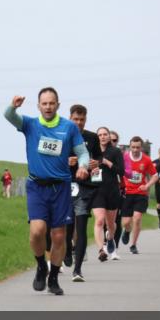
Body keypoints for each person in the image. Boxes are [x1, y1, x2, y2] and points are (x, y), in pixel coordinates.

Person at [4, 88, 90, 296]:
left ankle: (54, 276)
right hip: (36, 186)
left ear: (58, 105)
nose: (48, 107)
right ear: (38, 106)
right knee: (37, 231)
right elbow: (9, 116)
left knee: (59, 237)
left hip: (60, 187)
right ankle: (41, 264)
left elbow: (82, 152)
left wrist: (83, 166)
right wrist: (13, 106)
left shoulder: (68, 127)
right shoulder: (30, 124)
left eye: (52, 103)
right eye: (44, 103)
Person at [63, 104, 104, 273]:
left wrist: (97, 163)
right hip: (65, 186)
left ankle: (77, 269)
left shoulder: (92, 137)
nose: (79, 122)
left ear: (86, 119)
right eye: (75, 119)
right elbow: (51, 159)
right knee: (68, 227)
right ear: (70, 118)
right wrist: (66, 161)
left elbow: (99, 157)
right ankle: (66, 250)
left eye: (82, 119)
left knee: (81, 228)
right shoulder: (62, 135)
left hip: (85, 188)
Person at [90, 127, 124, 269]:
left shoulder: (115, 152)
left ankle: (110, 239)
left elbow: (121, 171)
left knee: (111, 224)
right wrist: (92, 169)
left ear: (109, 137)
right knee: (99, 221)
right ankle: (100, 250)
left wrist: (107, 162)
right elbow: (84, 167)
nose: (102, 137)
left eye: (105, 135)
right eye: (100, 135)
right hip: (97, 190)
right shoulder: (92, 151)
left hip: (112, 190)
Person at [119, 136, 158, 256]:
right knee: (126, 222)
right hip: (127, 193)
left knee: (137, 218)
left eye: (138, 147)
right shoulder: (124, 158)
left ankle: (133, 245)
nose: (135, 150)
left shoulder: (146, 160)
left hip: (141, 193)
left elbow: (155, 175)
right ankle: (127, 230)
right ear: (130, 147)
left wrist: (147, 186)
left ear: (141, 148)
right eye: (133, 147)